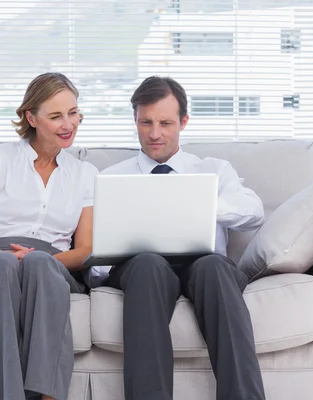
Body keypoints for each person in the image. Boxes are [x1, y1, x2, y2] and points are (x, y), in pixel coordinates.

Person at [101, 76, 267, 400]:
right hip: (140, 266)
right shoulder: (112, 178)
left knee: (214, 269)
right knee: (147, 265)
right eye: (145, 122)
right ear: (134, 120)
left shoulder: (213, 169)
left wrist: (196, 204)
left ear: (184, 121)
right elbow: (96, 250)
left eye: (165, 122)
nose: (154, 133)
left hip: (203, 264)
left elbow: (254, 213)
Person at [0, 72, 98, 400]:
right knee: (2, 265)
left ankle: (48, 397)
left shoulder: (84, 175)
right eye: (56, 116)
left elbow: (85, 249)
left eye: (73, 113)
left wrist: (38, 259)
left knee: (40, 265)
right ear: (31, 117)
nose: (68, 124)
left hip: (51, 264)